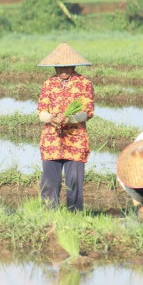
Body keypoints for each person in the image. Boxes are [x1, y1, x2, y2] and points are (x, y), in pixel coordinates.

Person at [36, 42, 94, 211]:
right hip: (51, 142)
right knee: (49, 183)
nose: (63, 70)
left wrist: (69, 120)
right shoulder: (48, 84)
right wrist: (51, 118)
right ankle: (49, 216)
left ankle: (74, 216)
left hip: (75, 142)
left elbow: (87, 112)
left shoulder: (84, 84)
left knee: (74, 184)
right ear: (54, 67)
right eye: (59, 67)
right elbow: (41, 112)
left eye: (67, 67)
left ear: (73, 65)